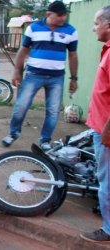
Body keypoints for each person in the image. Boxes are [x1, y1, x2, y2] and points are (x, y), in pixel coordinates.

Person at [1, 0, 78, 151]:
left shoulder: (71, 31)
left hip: (57, 78)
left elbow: (73, 56)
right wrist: (17, 71)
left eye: (65, 15)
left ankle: (45, 139)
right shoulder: (34, 28)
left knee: (53, 110)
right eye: (60, 15)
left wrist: (74, 78)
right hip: (33, 74)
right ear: (49, 14)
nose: (63, 18)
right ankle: (13, 133)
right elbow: (22, 51)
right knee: (21, 106)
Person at [80, 5, 110, 243]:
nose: (93, 28)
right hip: (101, 127)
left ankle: (109, 230)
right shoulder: (107, 50)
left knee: (106, 182)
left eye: (96, 23)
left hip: (106, 131)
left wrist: (107, 131)